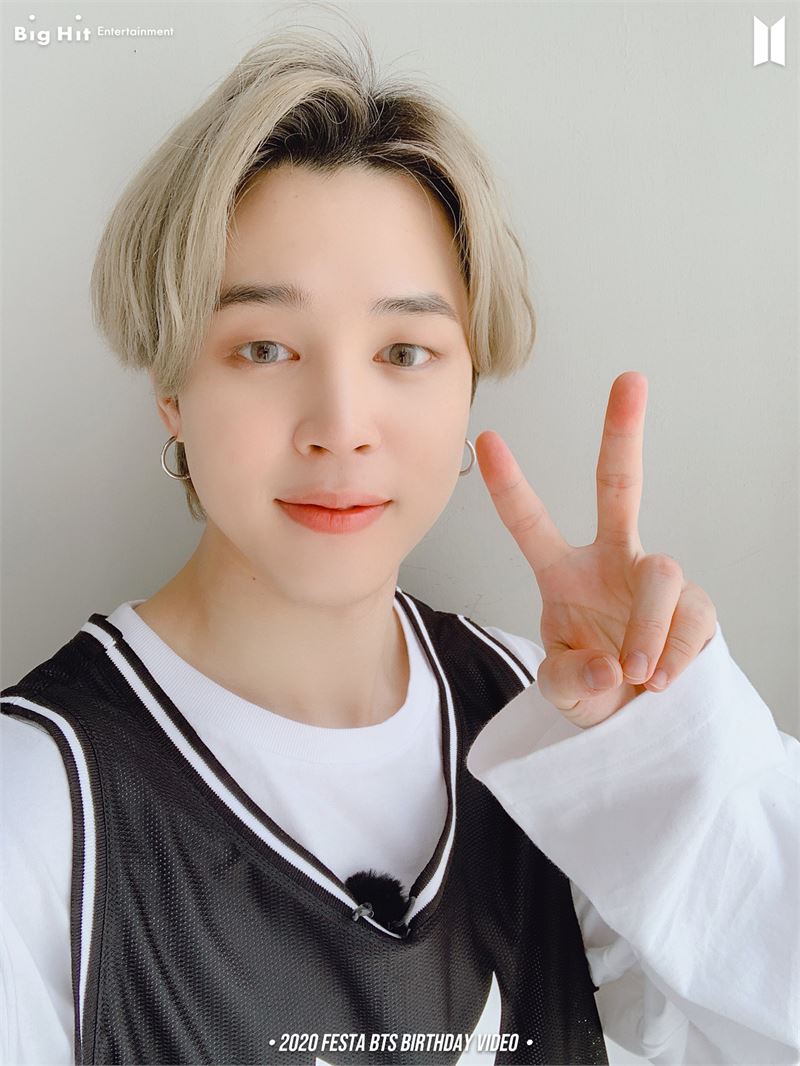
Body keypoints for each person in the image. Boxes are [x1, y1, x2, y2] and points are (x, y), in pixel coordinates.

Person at [1, 10, 797, 1066]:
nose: (341, 425)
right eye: (264, 346)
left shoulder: (555, 724)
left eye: (405, 351)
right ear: (170, 386)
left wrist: (668, 736)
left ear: (467, 384)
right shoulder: (35, 805)